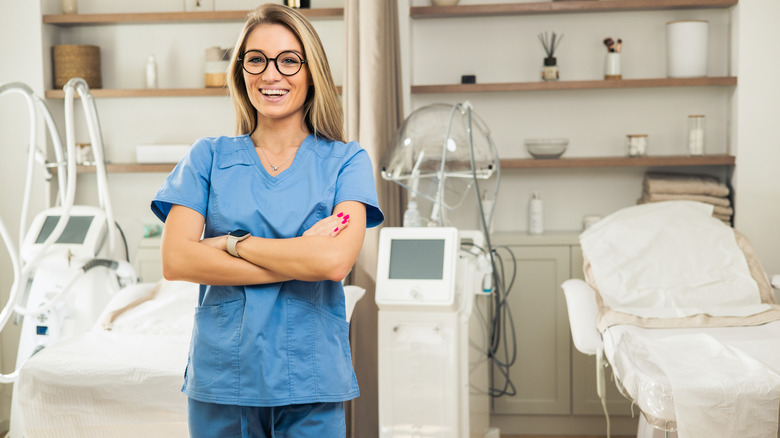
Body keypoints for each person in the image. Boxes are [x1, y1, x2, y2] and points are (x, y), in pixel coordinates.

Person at [150, 3, 384, 437]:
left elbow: (333, 263)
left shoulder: (345, 161)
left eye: (288, 60)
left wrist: (230, 244)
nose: (271, 75)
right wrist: (300, 252)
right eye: (256, 60)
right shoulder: (208, 156)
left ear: (311, 71)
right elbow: (176, 261)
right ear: (241, 72)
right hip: (224, 380)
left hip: (311, 380)